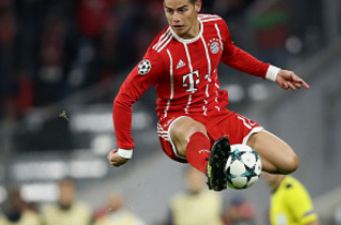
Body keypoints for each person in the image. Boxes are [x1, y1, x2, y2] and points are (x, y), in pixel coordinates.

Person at [110, 0, 307, 191]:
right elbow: (124, 97)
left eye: (181, 10)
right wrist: (125, 150)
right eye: (169, 11)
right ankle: (213, 171)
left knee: (289, 162)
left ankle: (228, 161)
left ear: (197, 5)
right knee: (194, 129)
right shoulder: (160, 54)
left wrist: (273, 73)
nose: (175, 18)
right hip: (177, 122)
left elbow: (230, 54)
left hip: (216, 114)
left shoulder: (216, 26)